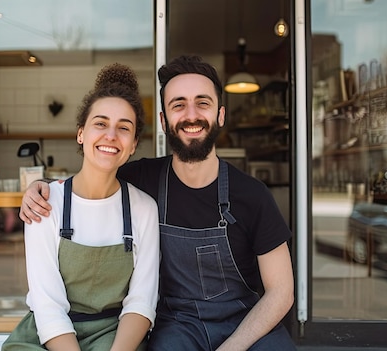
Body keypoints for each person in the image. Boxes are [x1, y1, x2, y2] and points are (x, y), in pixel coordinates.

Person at [20, 55, 296, 350]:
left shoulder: (252, 195)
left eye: (203, 103)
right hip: (178, 324)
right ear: (164, 120)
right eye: (178, 105)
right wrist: (43, 188)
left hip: (245, 323)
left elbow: (281, 292)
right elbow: (92, 177)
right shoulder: (141, 179)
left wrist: (233, 347)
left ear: (221, 115)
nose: (191, 115)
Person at [3, 63, 160, 351]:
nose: (111, 135)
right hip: (48, 334)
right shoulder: (45, 203)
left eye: (124, 128)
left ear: (134, 144)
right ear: (81, 134)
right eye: (100, 123)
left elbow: (142, 301)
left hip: (115, 335)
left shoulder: (144, 209)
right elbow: (48, 306)